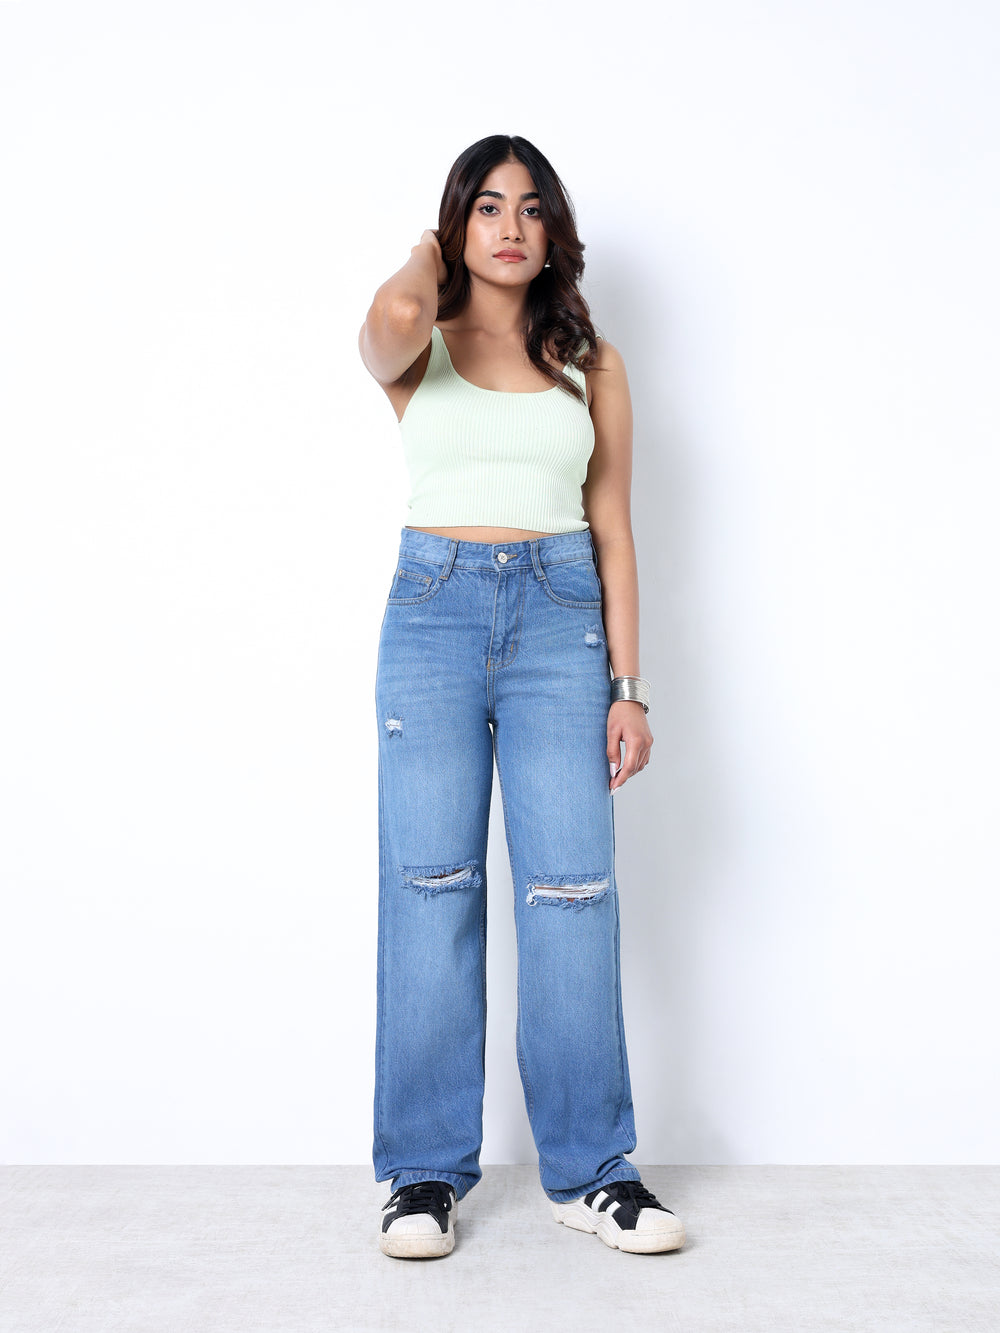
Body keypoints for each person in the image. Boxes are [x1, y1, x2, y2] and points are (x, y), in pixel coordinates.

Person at [358, 135, 685, 1259]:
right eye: (487, 207)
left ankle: (593, 1172)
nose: (510, 227)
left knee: (573, 891)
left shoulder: (591, 361)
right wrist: (428, 250)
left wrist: (628, 688)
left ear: (554, 232)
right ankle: (421, 1174)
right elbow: (390, 315)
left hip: (560, 620)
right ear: (457, 225)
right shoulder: (419, 344)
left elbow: (614, 531)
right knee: (429, 887)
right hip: (434, 614)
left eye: (531, 208)